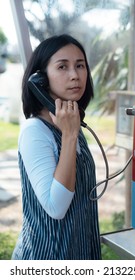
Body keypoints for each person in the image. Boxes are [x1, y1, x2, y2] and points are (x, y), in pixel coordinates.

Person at [12, 34, 101, 260]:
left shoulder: (71, 124)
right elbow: (56, 207)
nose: (75, 75)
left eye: (80, 65)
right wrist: (69, 135)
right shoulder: (35, 131)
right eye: (62, 66)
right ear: (40, 80)